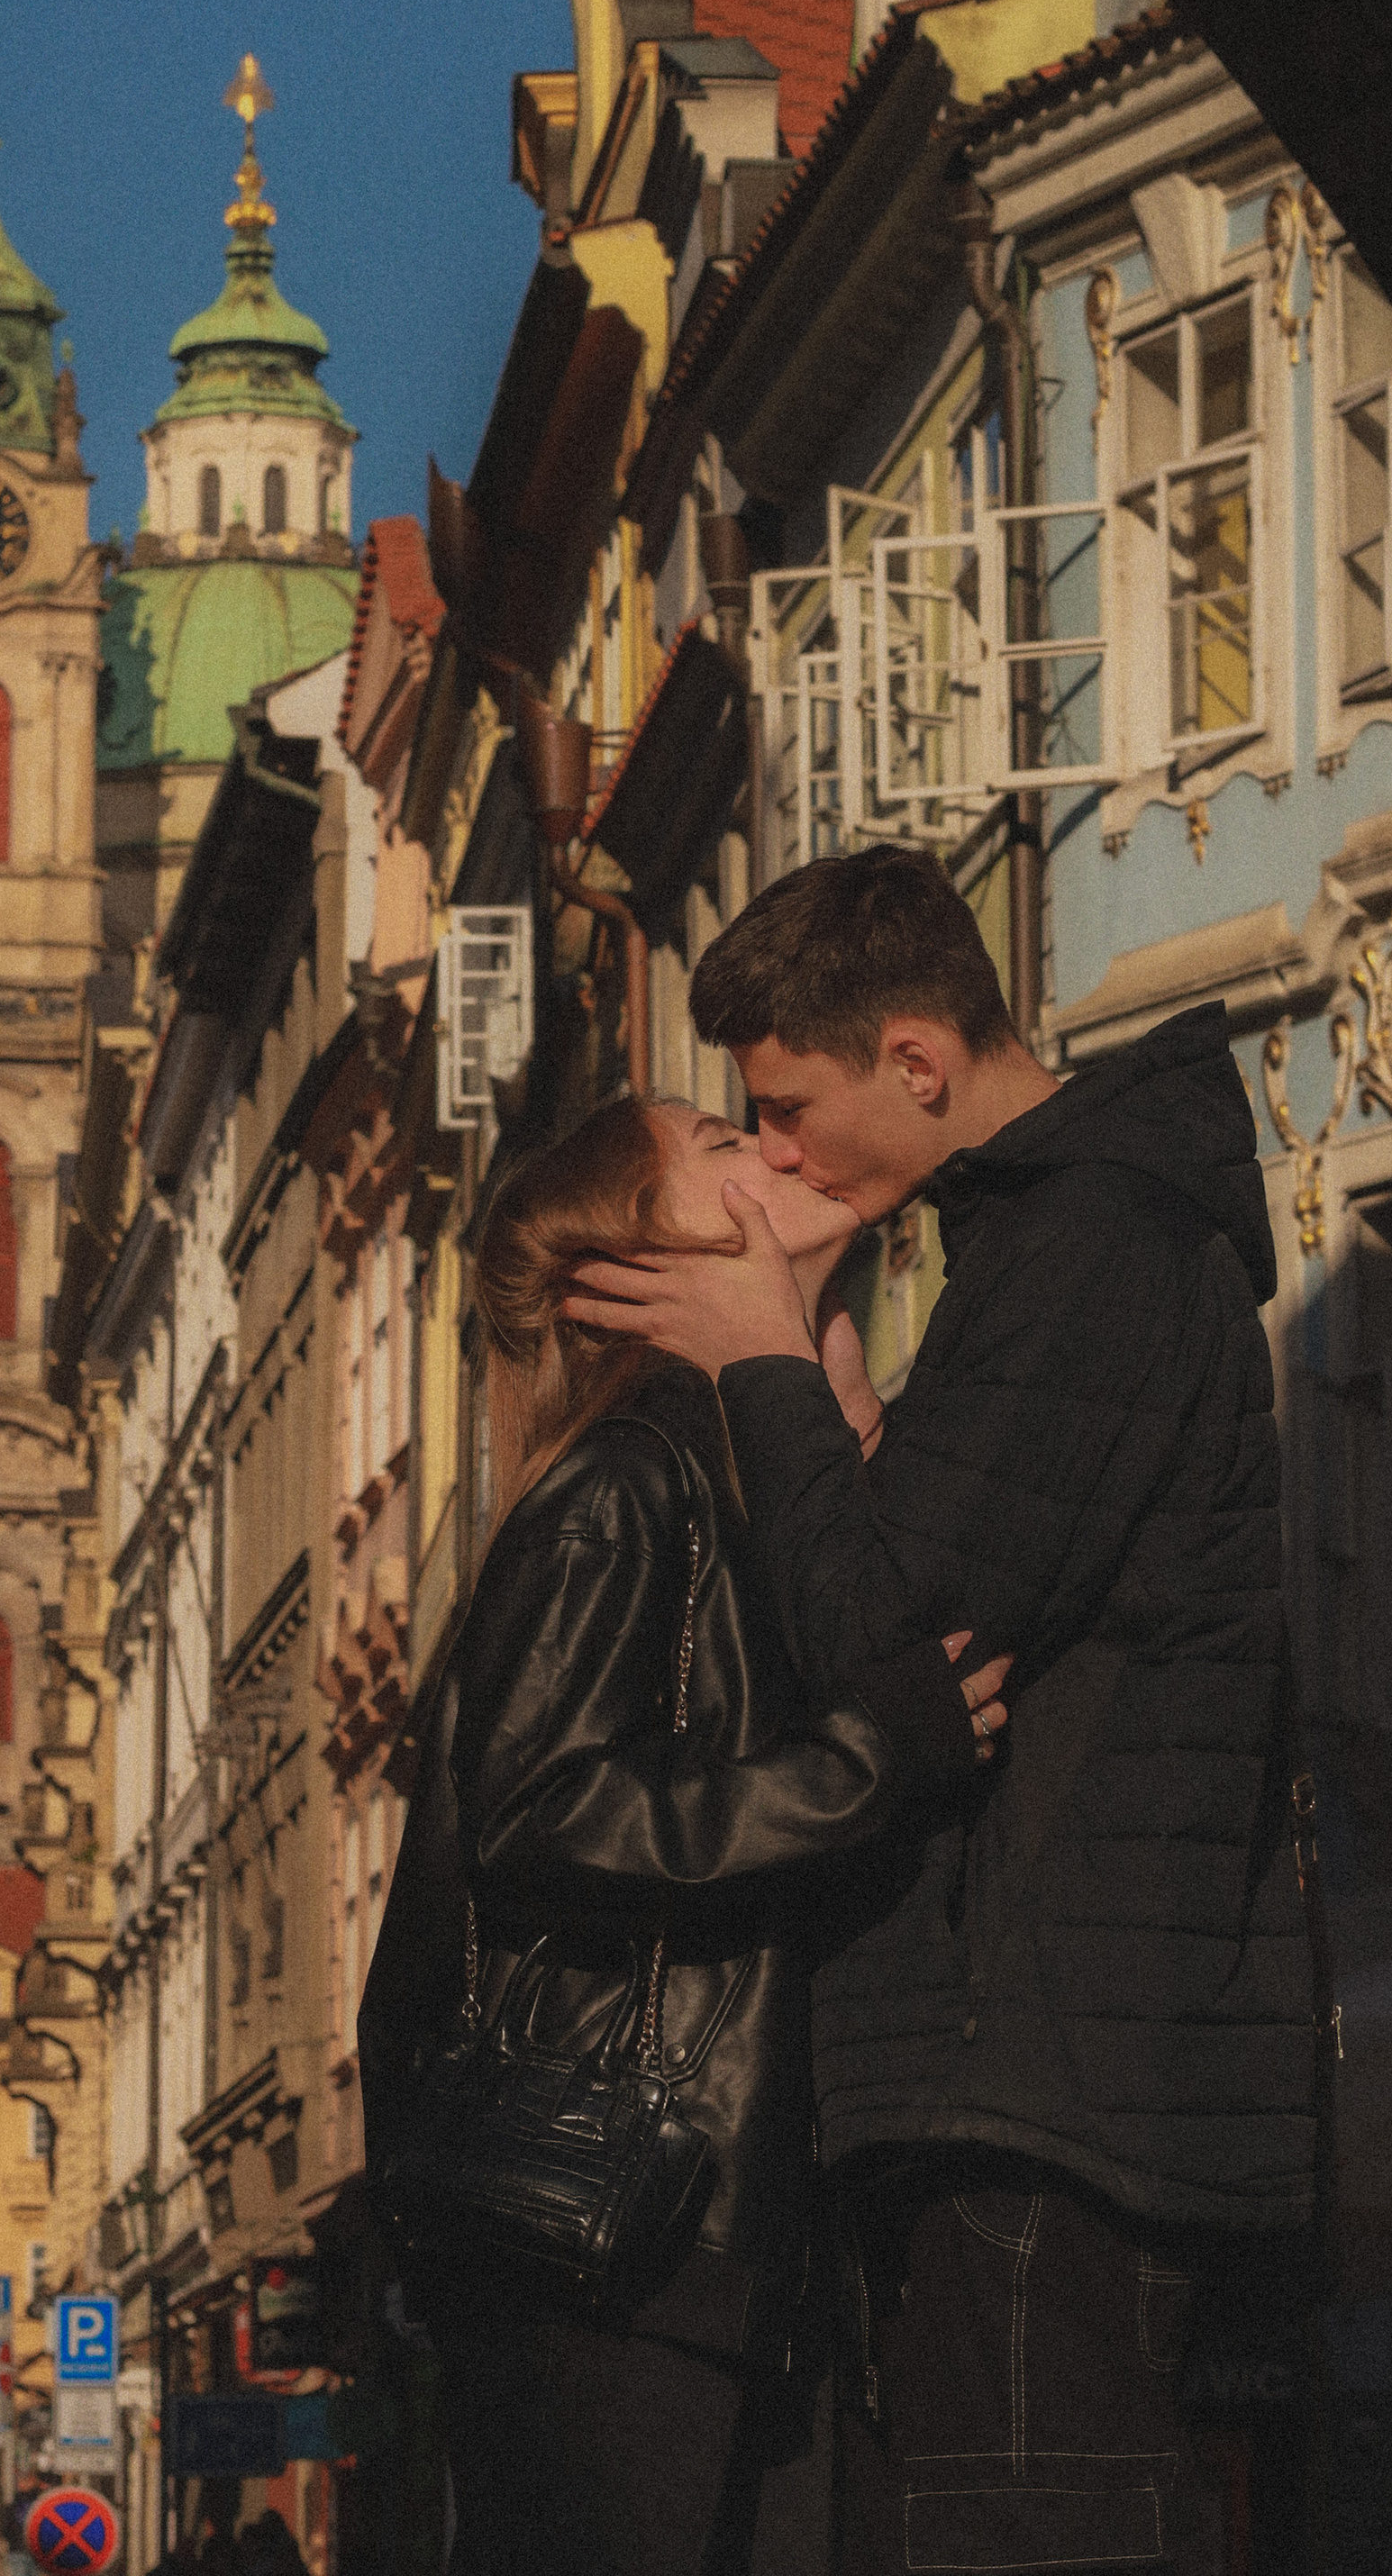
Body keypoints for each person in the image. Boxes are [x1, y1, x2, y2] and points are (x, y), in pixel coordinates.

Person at [565, 844, 1318, 2574]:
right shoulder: (1032, 1253)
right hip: (1022, 2067)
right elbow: (916, 1565)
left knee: (1034, 2531)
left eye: (785, 1107)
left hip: (1053, 2080)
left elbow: (878, 1629)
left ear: (916, 1061)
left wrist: (757, 1350)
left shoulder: (1090, 1251)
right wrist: (814, 1338)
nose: (770, 1154)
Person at [360, 1094, 1011, 2576]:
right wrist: (870, 1762)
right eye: (726, 1142)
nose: (778, 1149)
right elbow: (540, 1810)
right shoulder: (623, 1492)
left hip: (721, 2244)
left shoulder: (734, 1484)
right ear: (645, 1266)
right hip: (618, 2238)